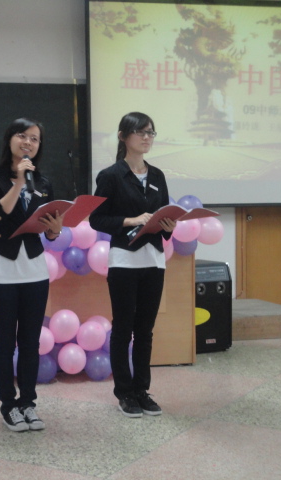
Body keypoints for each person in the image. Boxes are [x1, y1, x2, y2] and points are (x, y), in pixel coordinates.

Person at [89, 112, 176, 418]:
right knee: (123, 328)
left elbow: (165, 219)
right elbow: (97, 219)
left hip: (153, 259)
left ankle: (142, 390)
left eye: (151, 132)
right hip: (124, 260)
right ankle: (124, 393)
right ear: (123, 136)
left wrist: (168, 225)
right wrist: (131, 220)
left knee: (145, 330)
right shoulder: (111, 175)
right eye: (141, 132)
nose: (147, 137)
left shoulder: (157, 175)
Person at [0, 118, 63, 432]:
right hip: (1, 267)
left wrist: (55, 231)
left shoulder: (43, 182)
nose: (28, 142)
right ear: (10, 139)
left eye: (35, 139)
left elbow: (48, 227)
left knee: (30, 342)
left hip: (34, 268)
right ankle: (8, 406)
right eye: (22, 136)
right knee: (4, 342)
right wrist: (17, 182)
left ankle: (28, 403)